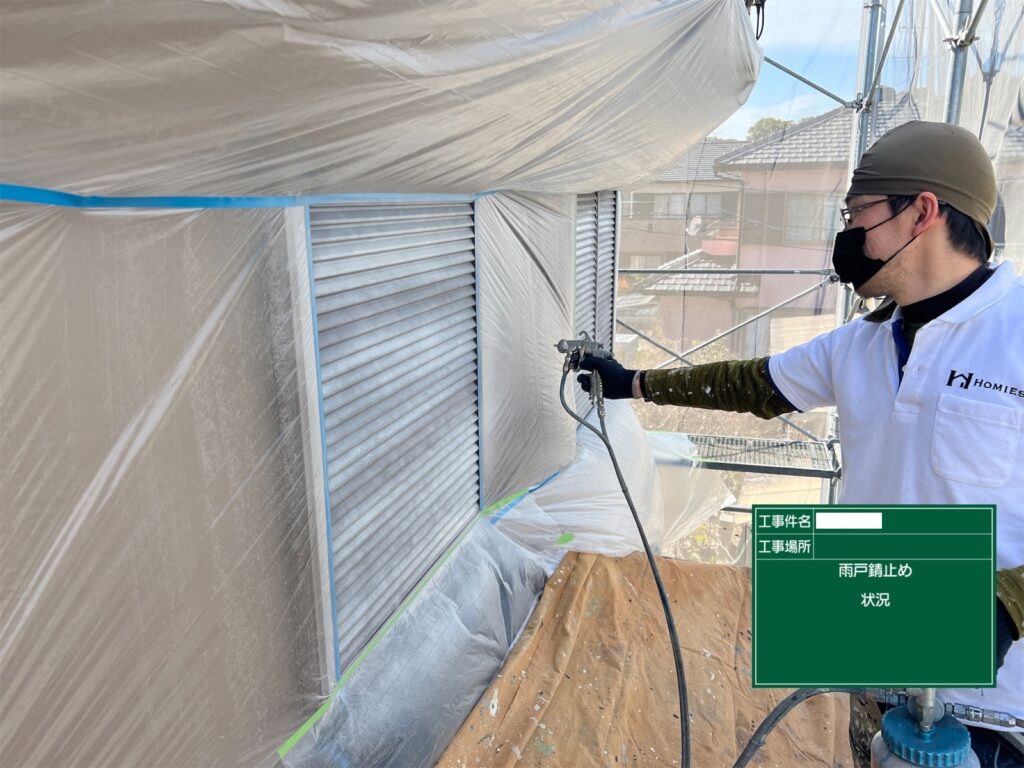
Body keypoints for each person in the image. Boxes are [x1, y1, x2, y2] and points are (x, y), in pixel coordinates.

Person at [580, 121, 1023, 767]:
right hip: (879, 660)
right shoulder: (863, 344)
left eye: (856, 214)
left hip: (999, 708)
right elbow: (751, 384)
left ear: (922, 211)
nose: (846, 237)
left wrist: (1006, 607)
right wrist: (631, 383)